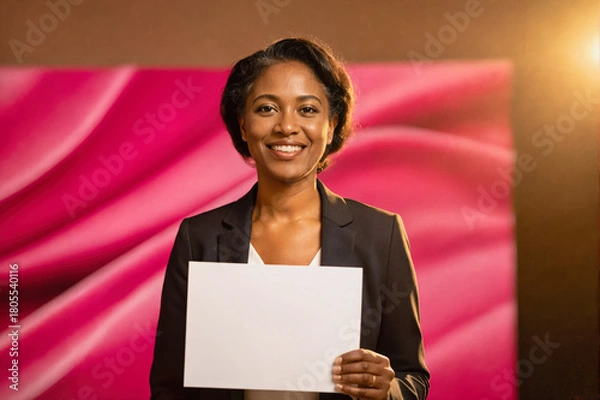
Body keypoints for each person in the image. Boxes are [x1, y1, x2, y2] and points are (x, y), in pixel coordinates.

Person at [150, 37, 430, 400]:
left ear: (331, 125)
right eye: (266, 109)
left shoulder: (381, 235)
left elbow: (413, 379)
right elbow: (170, 389)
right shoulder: (198, 238)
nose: (286, 126)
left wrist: (386, 389)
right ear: (243, 125)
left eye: (308, 110)